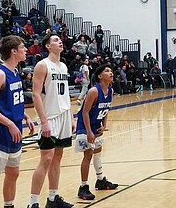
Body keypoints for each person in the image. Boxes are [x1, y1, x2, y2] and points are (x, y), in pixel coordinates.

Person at [0, 36, 35, 208]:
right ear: (14, 51)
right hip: (0, 130)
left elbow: (11, 101)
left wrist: (24, 115)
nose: (26, 50)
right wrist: (9, 123)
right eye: (23, 47)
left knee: (13, 173)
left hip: (15, 129)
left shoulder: (16, 72)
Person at [28, 33, 75, 208]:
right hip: (50, 117)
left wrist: (71, 116)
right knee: (46, 158)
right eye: (55, 40)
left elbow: (65, 94)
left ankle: (53, 198)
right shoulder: (42, 65)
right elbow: (35, 94)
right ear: (47, 46)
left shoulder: (63, 66)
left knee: (58, 157)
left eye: (60, 39)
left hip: (64, 116)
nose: (60, 41)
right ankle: (33, 203)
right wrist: (44, 121)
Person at [75, 64, 119, 201]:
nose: (111, 73)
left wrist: (104, 125)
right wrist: (88, 131)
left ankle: (100, 180)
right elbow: (85, 112)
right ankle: (83, 187)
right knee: (88, 154)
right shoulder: (94, 91)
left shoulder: (110, 91)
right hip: (85, 125)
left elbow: (106, 109)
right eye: (107, 71)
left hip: (96, 125)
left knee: (98, 151)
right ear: (100, 76)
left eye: (111, 71)